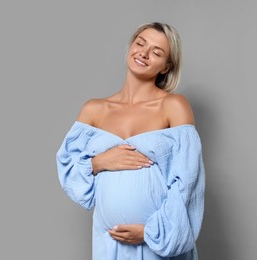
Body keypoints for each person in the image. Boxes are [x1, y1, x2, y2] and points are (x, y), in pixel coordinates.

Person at [56, 22, 205, 260]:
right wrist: (99, 162)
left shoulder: (173, 106)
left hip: (158, 241)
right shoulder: (95, 109)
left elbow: (187, 181)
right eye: (140, 43)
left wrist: (152, 232)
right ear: (130, 46)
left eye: (157, 52)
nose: (144, 53)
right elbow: (69, 171)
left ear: (166, 66)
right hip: (109, 241)